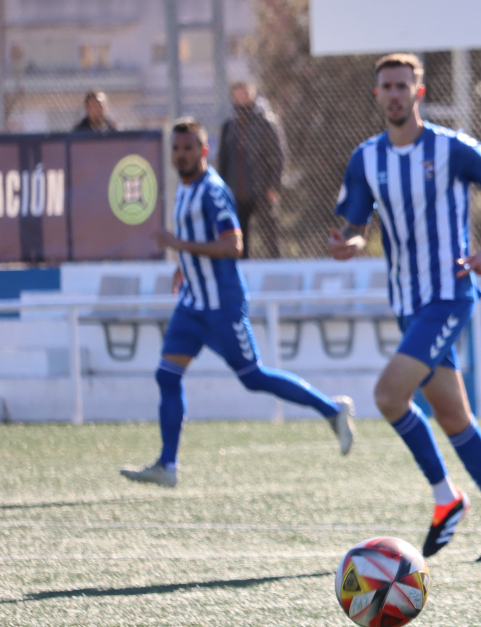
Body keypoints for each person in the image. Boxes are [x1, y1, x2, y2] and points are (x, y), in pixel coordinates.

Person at [329, 53, 481, 562]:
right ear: (377, 95)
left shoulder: (448, 146)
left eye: (403, 85)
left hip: (448, 294)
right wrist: (351, 243)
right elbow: (354, 223)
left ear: (418, 92)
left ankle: (446, 498)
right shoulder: (365, 158)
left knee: (388, 395)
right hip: (406, 300)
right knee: (451, 414)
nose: (394, 94)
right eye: (386, 87)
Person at [119, 118, 354, 488]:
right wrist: (184, 266)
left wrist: (180, 247)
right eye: (177, 149)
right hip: (192, 303)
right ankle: (167, 465)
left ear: (204, 150)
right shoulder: (184, 189)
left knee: (254, 378)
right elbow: (199, 240)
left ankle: (333, 410)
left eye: (188, 149)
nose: (181, 155)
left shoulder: (212, 190)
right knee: (166, 375)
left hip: (221, 306)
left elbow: (234, 246)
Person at [218, 81, 285, 259]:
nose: (242, 97)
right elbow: (223, 160)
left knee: (269, 236)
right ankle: (242, 275)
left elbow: (278, 157)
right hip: (237, 190)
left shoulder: (267, 122)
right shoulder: (229, 126)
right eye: (238, 94)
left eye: (245, 93)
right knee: (239, 238)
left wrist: (274, 186)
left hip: (262, 189)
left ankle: (277, 269)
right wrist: (223, 188)